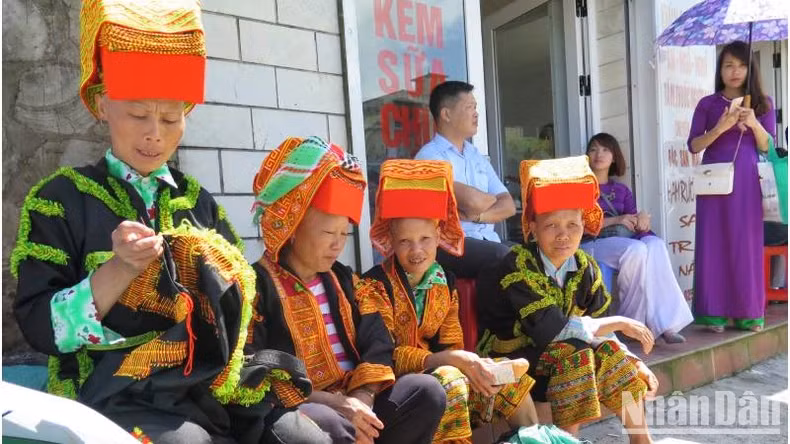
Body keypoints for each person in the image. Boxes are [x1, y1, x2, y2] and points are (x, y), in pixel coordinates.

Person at [11, 1, 325, 443]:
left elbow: (244, 305)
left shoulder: (199, 202)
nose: (154, 133)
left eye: (171, 118)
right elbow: (42, 327)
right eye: (138, 115)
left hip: (208, 383)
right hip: (112, 390)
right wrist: (120, 269)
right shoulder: (60, 200)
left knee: (304, 437)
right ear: (102, 105)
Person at [248, 137, 447, 444]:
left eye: (344, 233)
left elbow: (378, 341)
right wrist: (338, 405)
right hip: (304, 408)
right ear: (291, 227)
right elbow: (258, 373)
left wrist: (363, 397)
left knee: (427, 392)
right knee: (331, 424)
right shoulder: (254, 287)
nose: (338, 244)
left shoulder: (344, 280)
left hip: (354, 399)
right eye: (328, 232)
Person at [476, 156, 658, 442]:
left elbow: (601, 330)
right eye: (552, 226)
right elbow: (550, 330)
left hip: (553, 360)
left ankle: (640, 438)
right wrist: (621, 321)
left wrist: (633, 360)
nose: (564, 235)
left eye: (572, 225)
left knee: (607, 352)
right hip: (511, 361)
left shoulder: (586, 267)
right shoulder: (518, 264)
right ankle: (566, 439)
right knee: (575, 350)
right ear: (533, 228)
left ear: (583, 226)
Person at [357, 159, 537, 443]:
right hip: (396, 391)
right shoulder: (372, 287)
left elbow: (451, 344)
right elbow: (385, 356)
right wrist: (450, 360)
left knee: (510, 382)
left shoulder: (444, 282)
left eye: (425, 239)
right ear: (391, 240)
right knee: (451, 381)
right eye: (405, 242)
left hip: (441, 371)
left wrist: (471, 366)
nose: (417, 251)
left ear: (439, 236)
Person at [687, 40, 777, 332]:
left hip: (748, 182)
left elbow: (768, 147)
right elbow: (694, 145)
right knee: (713, 243)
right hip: (714, 180)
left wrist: (754, 123)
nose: (735, 71)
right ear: (720, 69)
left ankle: (749, 313)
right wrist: (721, 128)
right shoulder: (708, 104)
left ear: (749, 68)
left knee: (746, 244)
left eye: (740, 64)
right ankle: (713, 313)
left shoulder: (763, 103)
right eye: (728, 65)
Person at [583, 132, 693, 343]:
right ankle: (630, 324)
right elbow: (579, 226)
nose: (599, 154)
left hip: (620, 242)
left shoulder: (621, 190)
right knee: (635, 250)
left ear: (614, 157)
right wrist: (616, 220)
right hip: (591, 243)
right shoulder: (580, 188)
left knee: (655, 244)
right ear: (586, 156)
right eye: (594, 149)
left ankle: (667, 324)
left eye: (606, 149)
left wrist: (642, 222)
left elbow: (634, 223)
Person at [415, 81, 516, 278]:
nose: (476, 114)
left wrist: (478, 216)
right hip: (448, 244)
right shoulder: (429, 157)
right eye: (469, 107)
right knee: (500, 256)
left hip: (486, 238)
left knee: (530, 255)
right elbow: (473, 201)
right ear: (446, 114)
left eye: (475, 108)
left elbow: (509, 206)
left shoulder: (475, 155)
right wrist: (489, 200)